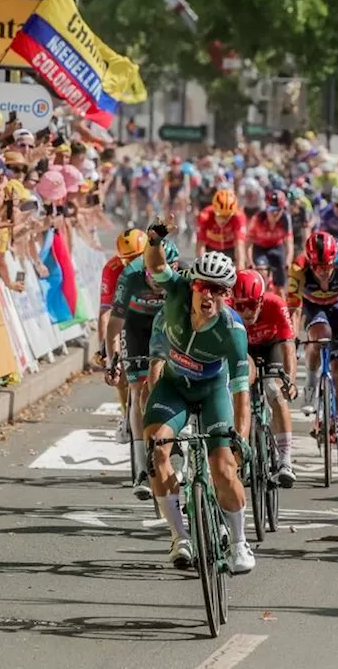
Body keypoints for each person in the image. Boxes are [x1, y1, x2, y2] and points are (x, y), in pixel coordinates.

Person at [141, 228, 254, 574]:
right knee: (157, 450)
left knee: (223, 469)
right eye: (204, 285)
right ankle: (180, 536)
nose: (209, 295)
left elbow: (241, 395)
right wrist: (155, 239)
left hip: (212, 392)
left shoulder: (232, 332)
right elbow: (156, 265)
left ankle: (238, 542)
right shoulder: (175, 294)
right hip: (174, 387)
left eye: (219, 290)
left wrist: (242, 439)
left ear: (227, 296)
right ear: (193, 284)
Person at [286, 229, 338, 467]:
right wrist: (292, 336)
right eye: (318, 266)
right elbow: (292, 310)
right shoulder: (298, 269)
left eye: (328, 265)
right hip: (314, 309)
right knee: (319, 335)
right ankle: (311, 383)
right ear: (310, 262)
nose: (323, 271)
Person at [107, 238, 181, 500]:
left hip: (169, 325)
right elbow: (115, 321)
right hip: (136, 326)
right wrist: (111, 358)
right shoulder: (130, 275)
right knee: (138, 389)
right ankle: (141, 468)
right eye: (153, 275)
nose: (158, 282)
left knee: (180, 381)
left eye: (163, 275)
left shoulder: (183, 275)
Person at [230, 269, 298, 487]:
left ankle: (285, 461)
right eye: (241, 306)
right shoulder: (227, 308)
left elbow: (288, 347)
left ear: (261, 300)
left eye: (252, 305)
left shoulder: (276, 304)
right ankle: (243, 453)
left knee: (275, 391)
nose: (247, 311)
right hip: (244, 347)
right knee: (242, 391)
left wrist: (291, 381)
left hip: (272, 346)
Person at [99, 228, 148, 445]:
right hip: (126, 318)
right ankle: (125, 413)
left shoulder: (159, 263)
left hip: (154, 314)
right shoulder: (112, 269)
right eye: (127, 260)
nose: (133, 264)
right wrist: (107, 353)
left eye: (137, 258)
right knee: (119, 366)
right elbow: (105, 313)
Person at [246, 189, 294, 292]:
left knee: (280, 287)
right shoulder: (257, 219)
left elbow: (289, 243)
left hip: (277, 247)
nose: (275, 213)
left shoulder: (286, 219)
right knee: (262, 274)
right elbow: (248, 243)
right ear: (267, 207)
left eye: (279, 209)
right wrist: (249, 261)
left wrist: (288, 261)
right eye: (272, 209)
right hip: (260, 248)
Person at [196, 188, 247, 269]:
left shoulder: (239, 217)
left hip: (231, 249)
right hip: (211, 250)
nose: (224, 220)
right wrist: (200, 266)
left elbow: (239, 245)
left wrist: (240, 268)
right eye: (220, 216)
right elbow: (200, 244)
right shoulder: (204, 216)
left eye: (227, 216)